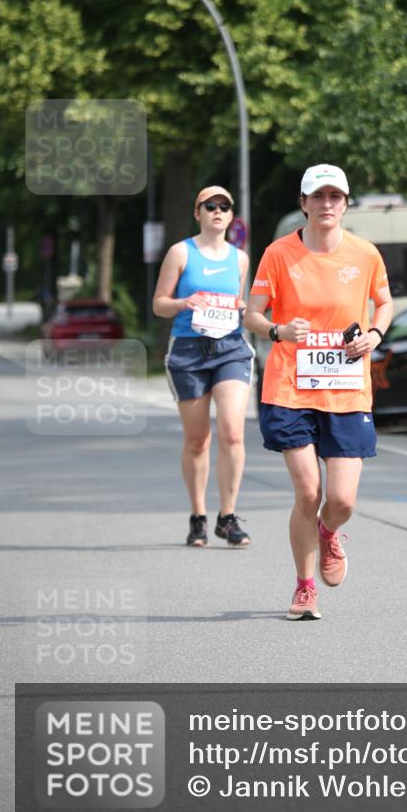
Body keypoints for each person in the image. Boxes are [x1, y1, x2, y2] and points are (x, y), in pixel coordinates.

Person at [244, 164, 393, 619]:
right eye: (318, 196)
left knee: (342, 500)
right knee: (308, 492)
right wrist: (278, 330)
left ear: (345, 204)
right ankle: (305, 587)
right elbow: (252, 314)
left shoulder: (365, 254)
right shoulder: (278, 254)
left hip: (346, 391)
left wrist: (375, 334)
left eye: (335, 196)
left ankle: (329, 533)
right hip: (290, 387)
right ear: (303, 203)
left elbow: (385, 303)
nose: (327, 204)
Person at [153, 185, 253, 548]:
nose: (217, 211)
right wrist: (184, 303)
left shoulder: (239, 259)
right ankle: (198, 516)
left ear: (231, 215)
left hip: (230, 349)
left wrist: (242, 308)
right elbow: (159, 304)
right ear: (198, 213)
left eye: (224, 206)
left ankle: (228, 517)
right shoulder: (181, 252)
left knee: (233, 432)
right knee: (198, 440)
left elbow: (240, 302)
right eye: (209, 205)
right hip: (189, 351)